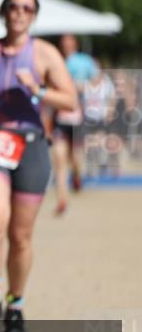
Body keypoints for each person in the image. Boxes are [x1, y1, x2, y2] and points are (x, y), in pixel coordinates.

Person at [0, 0, 77, 332]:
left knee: (20, 235)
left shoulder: (45, 54)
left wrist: (38, 89)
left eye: (27, 8)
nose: (20, 13)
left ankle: (16, 304)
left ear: (35, 15)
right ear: (4, 11)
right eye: (13, 6)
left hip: (31, 146)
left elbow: (70, 101)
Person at [50, 34, 97, 214]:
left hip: (78, 117)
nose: (66, 46)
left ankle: (77, 176)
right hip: (60, 118)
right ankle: (62, 200)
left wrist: (82, 87)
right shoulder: (56, 61)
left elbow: (97, 82)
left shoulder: (85, 61)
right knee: (59, 158)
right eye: (63, 43)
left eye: (69, 43)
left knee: (75, 158)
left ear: (75, 44)